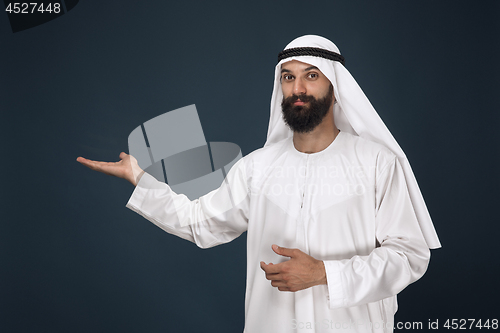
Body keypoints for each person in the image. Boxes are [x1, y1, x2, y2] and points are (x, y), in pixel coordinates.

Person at [77, 35, 440, 333]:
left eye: (311, 75)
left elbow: (409, 255)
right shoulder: (258, 167)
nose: (298, 88)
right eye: (288, 77)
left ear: (335, 84)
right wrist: (139, 179)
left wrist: (324, 273)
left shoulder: (377, 163)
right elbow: (200, 223)